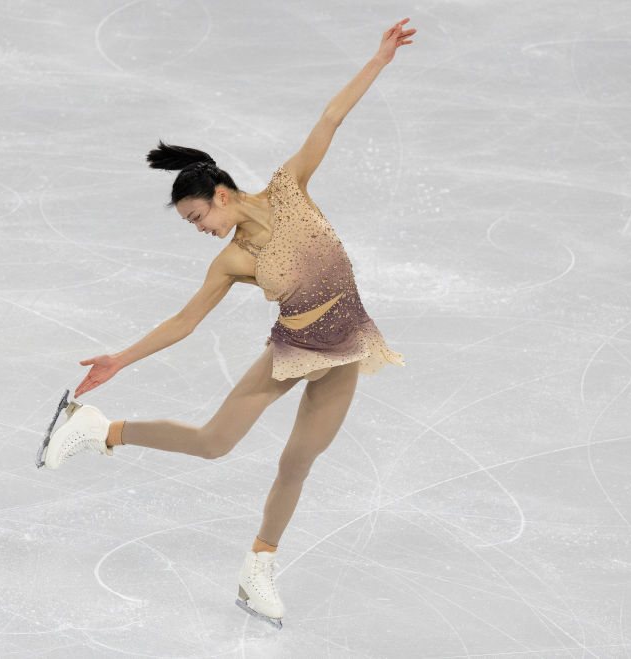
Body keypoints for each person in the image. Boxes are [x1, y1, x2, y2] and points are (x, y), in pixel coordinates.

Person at [38, 17, 415, 628]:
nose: (199, 230)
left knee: (298, 463)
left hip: (345, 349)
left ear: (220, 193)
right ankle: (99, 429)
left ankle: (257, 567)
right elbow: (185, 321)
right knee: (215, 443)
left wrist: (379, 59)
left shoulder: (290, 189)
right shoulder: (233, 260)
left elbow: (330, 118)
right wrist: (119, 360)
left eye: (196, 218)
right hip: (293, 352)